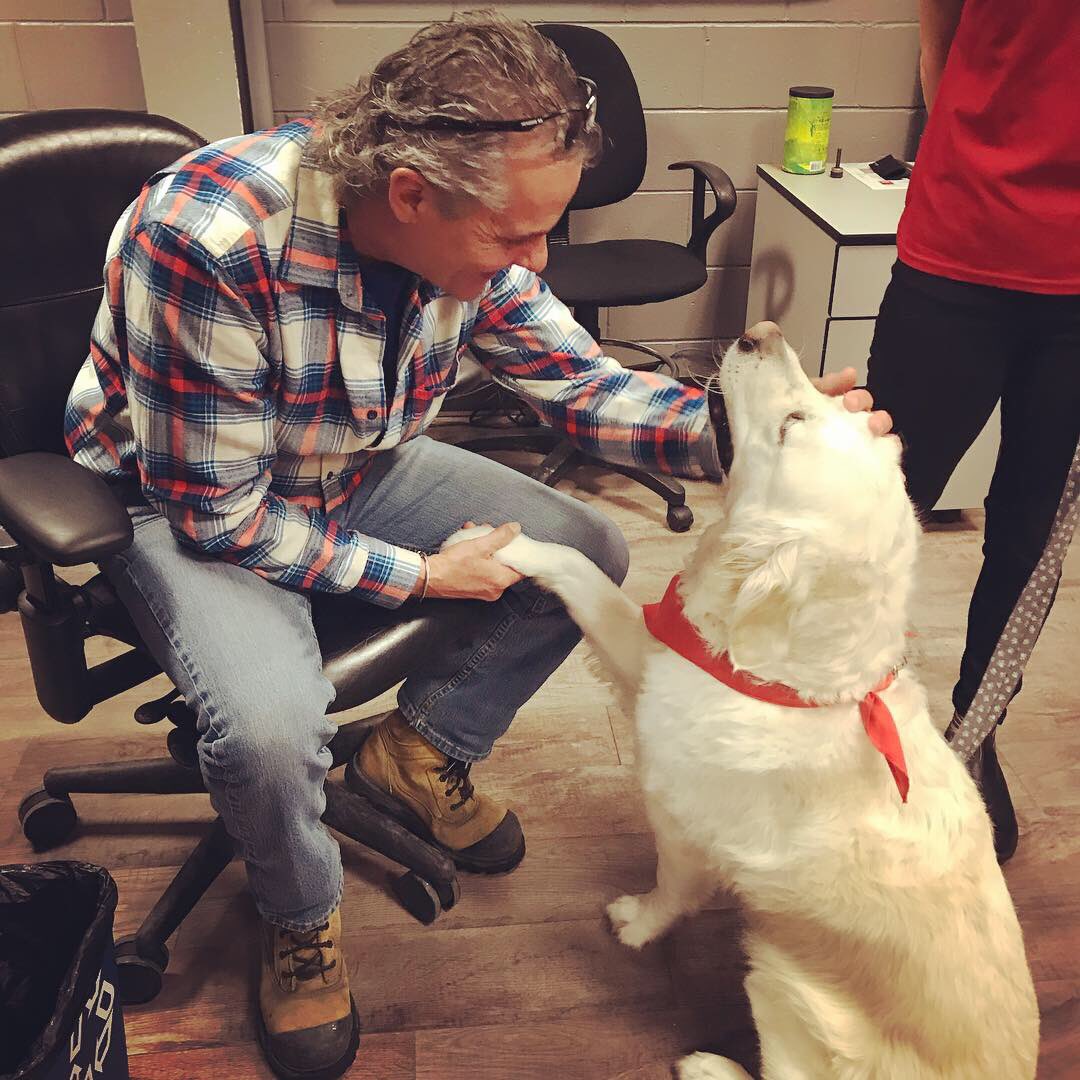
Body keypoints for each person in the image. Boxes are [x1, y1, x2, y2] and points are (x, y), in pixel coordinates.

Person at [65, 12, 889, 1078]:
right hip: (189, 497)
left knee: (582, 549)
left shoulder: (470, 226)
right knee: (268, 729)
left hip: (349, 458)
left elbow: (579, 381)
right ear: (410, 194)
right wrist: (419, 575)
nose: (533, 263)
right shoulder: (211, 237)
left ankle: (416, 756)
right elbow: (220, 515)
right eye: (513, 239)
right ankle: (299, 914)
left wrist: (741, 432)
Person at [868, 0, 1080, 863]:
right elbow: (943, 27)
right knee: (876, 511)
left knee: (1029, 533)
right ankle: (835, 716)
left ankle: (973, 735)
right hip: (962, 238)